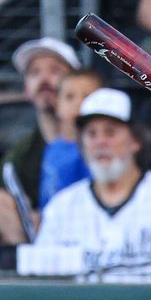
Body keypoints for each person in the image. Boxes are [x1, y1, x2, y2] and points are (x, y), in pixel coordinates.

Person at [17, 89, 151, 281]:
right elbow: (41, 286)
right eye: (91, 134)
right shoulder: (62, 207)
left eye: (110, 133)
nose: (100, 142)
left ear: (135, 141)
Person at [0, 38, 81, 244]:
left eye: (55, 71)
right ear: (27, 89)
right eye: (35, 73)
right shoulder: (19, 155)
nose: (44, 79)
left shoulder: (98, 141)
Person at [40, 69, 104, 211]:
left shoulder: (93, 152)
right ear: (57, 104)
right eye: (69, 97)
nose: (78, 103)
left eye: (87, 97)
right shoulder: (53, 147)